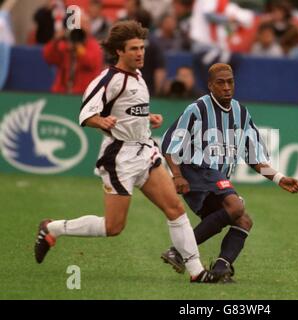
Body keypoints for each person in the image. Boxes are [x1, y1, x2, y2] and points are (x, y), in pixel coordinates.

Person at [34, 21, 220, 283]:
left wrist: (147, 118)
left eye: (142, 48)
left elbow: (130, 111)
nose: (140, 53)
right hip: (119, 158)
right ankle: (52, 228)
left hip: (145, 152)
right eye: (134, 49)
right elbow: (87, 113)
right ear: (119, 51)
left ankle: (197, 272)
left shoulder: (138, 76)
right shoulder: (109, 79)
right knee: (113, 227)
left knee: (175, 209)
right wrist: (101, 121)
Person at [160, 63, 298, 282]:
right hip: (197, 171)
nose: (227, 87)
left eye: (230, 81)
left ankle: (219, 268)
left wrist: (279, 178)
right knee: (236, 206)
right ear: (210, 86)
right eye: (221, 82)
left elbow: (254, 157)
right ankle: (179, 252)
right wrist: (177, 176)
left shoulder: (241, 113)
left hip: (216, 179)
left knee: (243, 221)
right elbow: (170, 145)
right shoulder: (197, 109)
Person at [42, 12, 103, 94]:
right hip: (62, 93)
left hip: (84, 94)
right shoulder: (65, 46)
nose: (79, 30)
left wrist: (78, 47)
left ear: (89, 27)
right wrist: (55, 40)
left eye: (83, 25)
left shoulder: (94, 46)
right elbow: (48, 57)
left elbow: (91, 62)